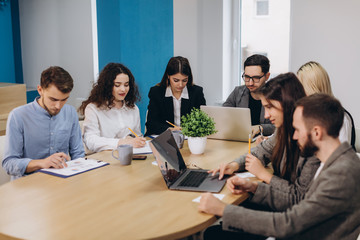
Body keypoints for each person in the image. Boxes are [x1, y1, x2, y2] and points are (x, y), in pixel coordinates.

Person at [199, 93, 360, 240]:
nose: (294, 136)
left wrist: (223, 210)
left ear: (317, 132)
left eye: (297, 130)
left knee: (213, 235)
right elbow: (301, 203)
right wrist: (254, 188)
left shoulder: (342, 173)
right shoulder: (334, 161)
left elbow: (288, 224)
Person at [2, 66, 85, 180]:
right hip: (29, 186)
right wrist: (42, 163)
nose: (58, 106)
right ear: (40, 90)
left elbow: (78, 154)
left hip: (62, 182)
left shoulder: (70, 112)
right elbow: (9, 164)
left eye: (64, 99)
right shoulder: (18, 116)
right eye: (53, 99)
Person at [79, 63, 146, 153]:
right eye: (117, 85)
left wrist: (137, 140)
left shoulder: (133, 108)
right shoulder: (93, 108)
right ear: (107, 86)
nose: (123, 89)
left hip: (130, 156)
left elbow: (137, 135)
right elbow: (91, 141)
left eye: (126, 85)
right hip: (105, 159)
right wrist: (122, 142)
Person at [297, 61, 356, 149]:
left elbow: (339, 158)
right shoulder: (307, 115)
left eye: (301, 87)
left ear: (313, 88)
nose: (298, 93)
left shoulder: (341, 118)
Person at [145, 56, 206, 136]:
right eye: (176, 80)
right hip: (163, 137)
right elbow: (151, 124)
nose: (180, 85)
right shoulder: (157, 92)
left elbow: (202, 122)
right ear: (168, 76)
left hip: (188, 139)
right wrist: (170, 129)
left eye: (184, 80)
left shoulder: (196, 92)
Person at [223, 54, 274, 136]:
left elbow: (280, 126)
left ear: (267, 76)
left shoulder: (276, 96)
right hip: (240, 139)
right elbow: (223, 114)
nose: (250, 83)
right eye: (247, 77)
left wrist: (261, 128)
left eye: (256, 78)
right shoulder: (238, 92)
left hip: (265, 142)